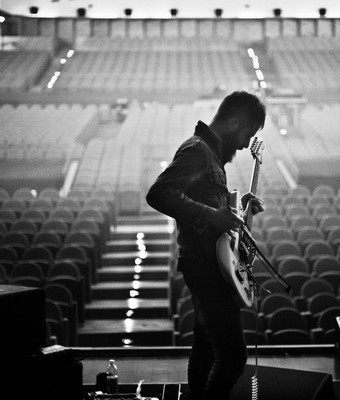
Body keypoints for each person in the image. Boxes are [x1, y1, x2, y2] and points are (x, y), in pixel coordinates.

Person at [146, 91, 266, 400]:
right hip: (203, 264)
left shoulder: (211, 153)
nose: (245, 144)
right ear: (233, 123)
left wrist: (238, 208)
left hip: (210, 261)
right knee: (233, 356)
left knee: (206, 350)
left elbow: (207, 201)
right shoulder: (197, 150)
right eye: (247, 134)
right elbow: (159, 194)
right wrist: (213, 215)